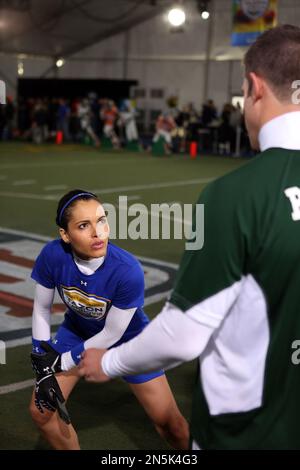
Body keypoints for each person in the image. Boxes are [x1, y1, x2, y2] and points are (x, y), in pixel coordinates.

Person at [79, 25, 300, 450]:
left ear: (254, 87)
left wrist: (110, 361)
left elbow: (184, 333)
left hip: (245, 435)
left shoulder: (234, 196)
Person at [29, 189, 189, 450]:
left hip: (129, 339)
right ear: (65, 235)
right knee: (41, 412)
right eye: (84, 225)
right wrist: (41, 358)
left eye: (102, 220)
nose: (98, 232)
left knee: (172, 425)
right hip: (78, 333)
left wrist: (60, 362)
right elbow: (41, 309)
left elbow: (112, 333)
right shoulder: (52, 255)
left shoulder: (127, 270)